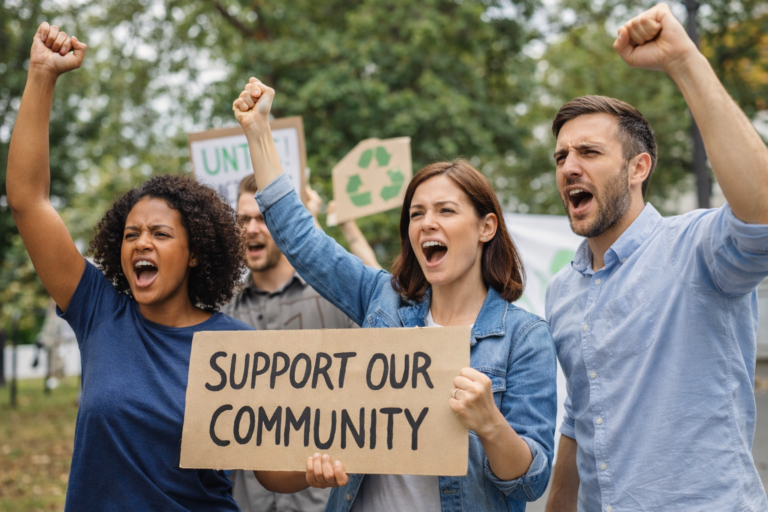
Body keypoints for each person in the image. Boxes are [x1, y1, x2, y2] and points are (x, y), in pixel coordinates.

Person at [231, 78, 558, 512]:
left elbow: (528, 485)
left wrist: (491, 425)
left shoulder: (525, 337)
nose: (426, 223)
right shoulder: (383, 300)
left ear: (486, 227)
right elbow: (302, 239)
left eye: (445, 211)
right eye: (416, 213)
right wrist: (258, 131)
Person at [7, 23, 252, 510]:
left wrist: (315, 465)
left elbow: (272, 472)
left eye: (161, 234)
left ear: (196, 252)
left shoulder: (238, 345)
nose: (142, 243)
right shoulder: (98, 310)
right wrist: (40, 75)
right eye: (131, 234)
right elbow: (27, 200)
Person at [543, 4, 768, 511]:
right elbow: (581, 415)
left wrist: (684, 60)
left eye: (589, 153)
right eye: (561, 157)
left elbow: (762, 214)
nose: (569, 168)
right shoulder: (561, 290)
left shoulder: (697, 248)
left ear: (639, 167)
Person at [225, 174, 378, 512]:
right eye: (242, 220)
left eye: (263, 218)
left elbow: (389, 327)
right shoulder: (220, 313)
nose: (251, 228)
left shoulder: (336, 299)